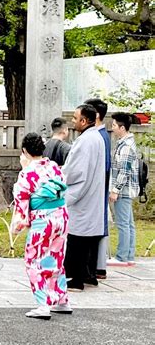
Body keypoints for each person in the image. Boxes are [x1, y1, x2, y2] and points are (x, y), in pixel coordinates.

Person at [11, 133, 71, 320]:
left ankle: (43, 304)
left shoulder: (27, 173)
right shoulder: (53, 167)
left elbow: (22, 202)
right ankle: (61, 299)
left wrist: (18, 225)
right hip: (61, 216)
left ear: (24, 151)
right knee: (56, 257)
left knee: (34, 260)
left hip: (42, 220)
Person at [62, 104, 106, 292]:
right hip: (92, 194)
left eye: (75, 118)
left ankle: (75, 280)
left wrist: (60, 177)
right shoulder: (96, 138)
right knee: (87, 241)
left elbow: (75, 171)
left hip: (82, 196)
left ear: (84, 120)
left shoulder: (85, 141)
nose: (73, 122)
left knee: (76, 241)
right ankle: (88, 276)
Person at [107, 112, 139, 266]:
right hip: (127, 189)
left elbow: (124, 171)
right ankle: (129, 255)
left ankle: (122, 257)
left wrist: (115, 190)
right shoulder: (125, 143)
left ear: (122, 127)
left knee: (123, 224)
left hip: (124, 190)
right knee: (129, 223)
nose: (112, 128)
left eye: (114, 125)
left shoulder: (126, 146)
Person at [84, 98, 111, 281]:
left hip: (95, 193)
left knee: (94, 231)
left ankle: (95, 269)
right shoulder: (98, 135)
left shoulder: (99, 136)